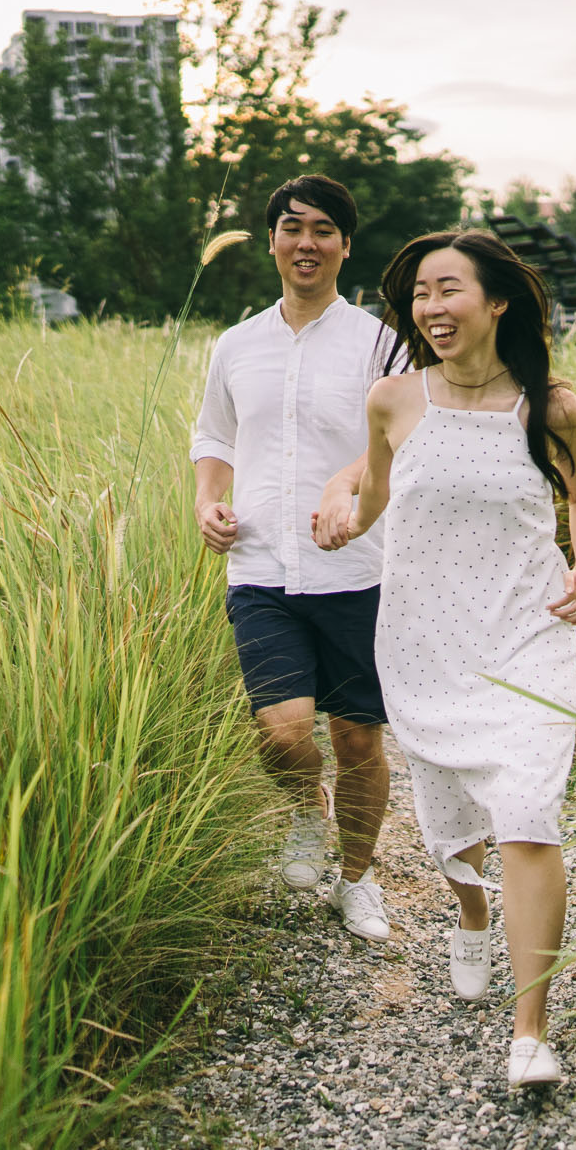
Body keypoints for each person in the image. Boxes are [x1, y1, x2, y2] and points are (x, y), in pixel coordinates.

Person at [317, 230, 576, 1086]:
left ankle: (531, 1033)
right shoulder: (394, 401)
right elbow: (374, 497)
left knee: (526, 809)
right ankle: (472, 913)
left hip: (527, 637)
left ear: (497, 301)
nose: (431, 308)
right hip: (426, 641)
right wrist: (342, 516)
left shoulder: (550, 408)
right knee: (451, 819)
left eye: (449, 289)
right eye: (421, 294)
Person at [190, 175, 397, 941]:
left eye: (323, 230)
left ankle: (359, 878)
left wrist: (353, 492)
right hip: (260, 570)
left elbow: (402, 440)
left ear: (345, 245)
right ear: (272, 240)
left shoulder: (380, 343)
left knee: (357, 739)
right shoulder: (236, 344)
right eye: (291, 227)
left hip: (356, 572)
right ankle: (307, 812)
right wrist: (207, 499)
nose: (306, 242)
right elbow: (213, 434)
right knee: (281, 732)